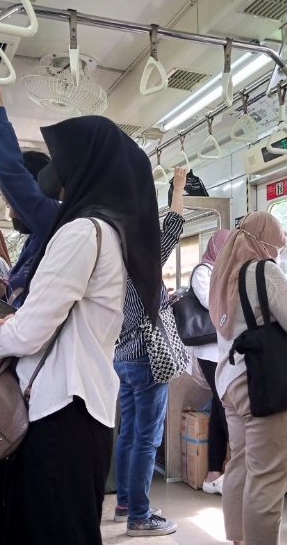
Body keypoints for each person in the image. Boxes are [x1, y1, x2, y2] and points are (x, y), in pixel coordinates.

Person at [0, 115, 161, 545]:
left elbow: (29, 334)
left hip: (61, 412)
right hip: (83, 409)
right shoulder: (111, 233)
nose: (56, 183)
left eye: (62, 170)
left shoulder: (83, 233)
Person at [208, 211, 287, 545]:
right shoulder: (264, 270)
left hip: (229, 382)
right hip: (264, 383)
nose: (278, 253)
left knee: (241, 467)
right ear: (264, 241)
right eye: (278, 246)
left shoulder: (223, 272)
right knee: (268, 480)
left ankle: (238, 540)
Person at [111, 166, 187, 538]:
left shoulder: (111, 259)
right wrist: (178, 186)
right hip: (148, 356)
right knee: (147, 438)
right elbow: (173, 225)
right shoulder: (143, 256)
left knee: (127, 433)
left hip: (122, 354)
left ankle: (124, 500)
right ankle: (139, 515)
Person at [0, 58, 59, 308]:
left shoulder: (56, 222)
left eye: (12, 201)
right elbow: (23, 300)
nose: (10, 211)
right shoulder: (36, 241)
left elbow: (9, 171)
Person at [190, 228, 232, 495]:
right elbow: (212, 303)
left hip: (225, 350)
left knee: (220, 409)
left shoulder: (228, 271)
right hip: (209, 352)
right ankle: (235, 470)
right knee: (228, 407)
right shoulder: (203, 272)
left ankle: (213, 473)